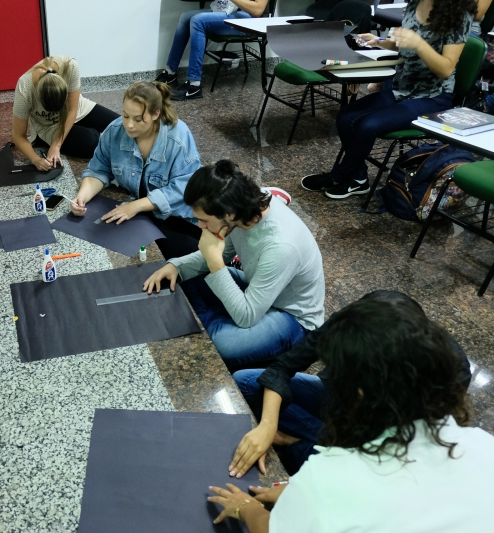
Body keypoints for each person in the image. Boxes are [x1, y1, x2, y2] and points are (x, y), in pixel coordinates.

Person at [205, 292, 492, 532]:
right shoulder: (483, 444)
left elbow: (273, 528)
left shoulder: (333, 477)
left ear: (358, 391)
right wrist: (268, 426)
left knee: (308, 456)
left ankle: (299, 444)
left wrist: (246, 507)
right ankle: (300, 443)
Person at [228, 290, 472, 477]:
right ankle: (307, 443)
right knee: (246, 381)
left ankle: (297, 443)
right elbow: (283, 366)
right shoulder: (354, 323)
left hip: (381, 433)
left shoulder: (451, 371)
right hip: (342, 400)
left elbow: (403, 449)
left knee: (329, 465)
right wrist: (267, 426)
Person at [142, 161, 324, 369]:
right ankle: (214, 323)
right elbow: (223, 252)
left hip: (293, 318)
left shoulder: (281, 246)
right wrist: (176, 266)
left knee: (223, 346)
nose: (200, 226)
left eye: (204, 220)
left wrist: (214, 262)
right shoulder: (243, 209)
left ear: (229, 213)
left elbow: (247, 316)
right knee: (184, 274)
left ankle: (212, 326)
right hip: (255, 288)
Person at [301, 0, 477, 199]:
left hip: (434, 97)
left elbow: (446, 68)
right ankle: (358, 178)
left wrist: (419, 43)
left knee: (367, 125)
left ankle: (340, 175)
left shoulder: (459, 13)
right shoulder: (415, 4)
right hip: (402, 88)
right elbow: (404, 43)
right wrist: (378, 41)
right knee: (345, 117)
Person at [71, 81, 203, 259]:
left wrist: (136, 206)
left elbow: (184, 189)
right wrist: (82, 196)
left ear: (156, 114)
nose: (129, 125)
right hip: (143, 213)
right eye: (125, 116)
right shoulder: (114, 131)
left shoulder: (178, 137)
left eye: (138, 119)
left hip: (178, 219)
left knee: (179, 261)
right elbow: (98, 169)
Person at [12, 56, 119, 168]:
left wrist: (56, 145)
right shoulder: (24, 87)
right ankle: (42, 139)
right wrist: (36, 160)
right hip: (49, 125)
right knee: (92, 142)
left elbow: (72, 109)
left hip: (78, 109)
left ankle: (83, 132)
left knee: (121, 125)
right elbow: (18, 135)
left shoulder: (70, 66)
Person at [155, 0, 269, 101]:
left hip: (248, 20)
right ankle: (170, 73)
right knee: (186, 17)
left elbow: (258, 10)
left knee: (197, 21)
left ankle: (194, 84)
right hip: (228, 10)